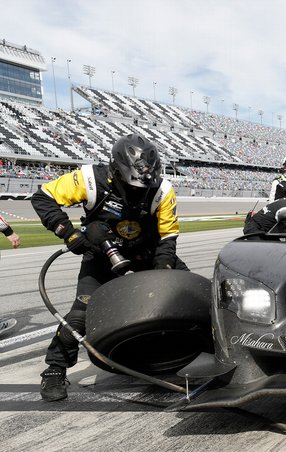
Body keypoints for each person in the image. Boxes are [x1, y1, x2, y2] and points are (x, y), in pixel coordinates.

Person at [31, 134, 186, 401]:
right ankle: (55, 369)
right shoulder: (90, 179)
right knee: (80, 317)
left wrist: (163, 271)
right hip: (101, 254)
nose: (138, 191)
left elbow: (168, 237)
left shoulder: (162, 190)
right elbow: (43, 197)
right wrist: (68, 233)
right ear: (116, 168)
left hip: (147, 253)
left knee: (189, 296)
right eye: (133, 186)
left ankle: (193, 353)